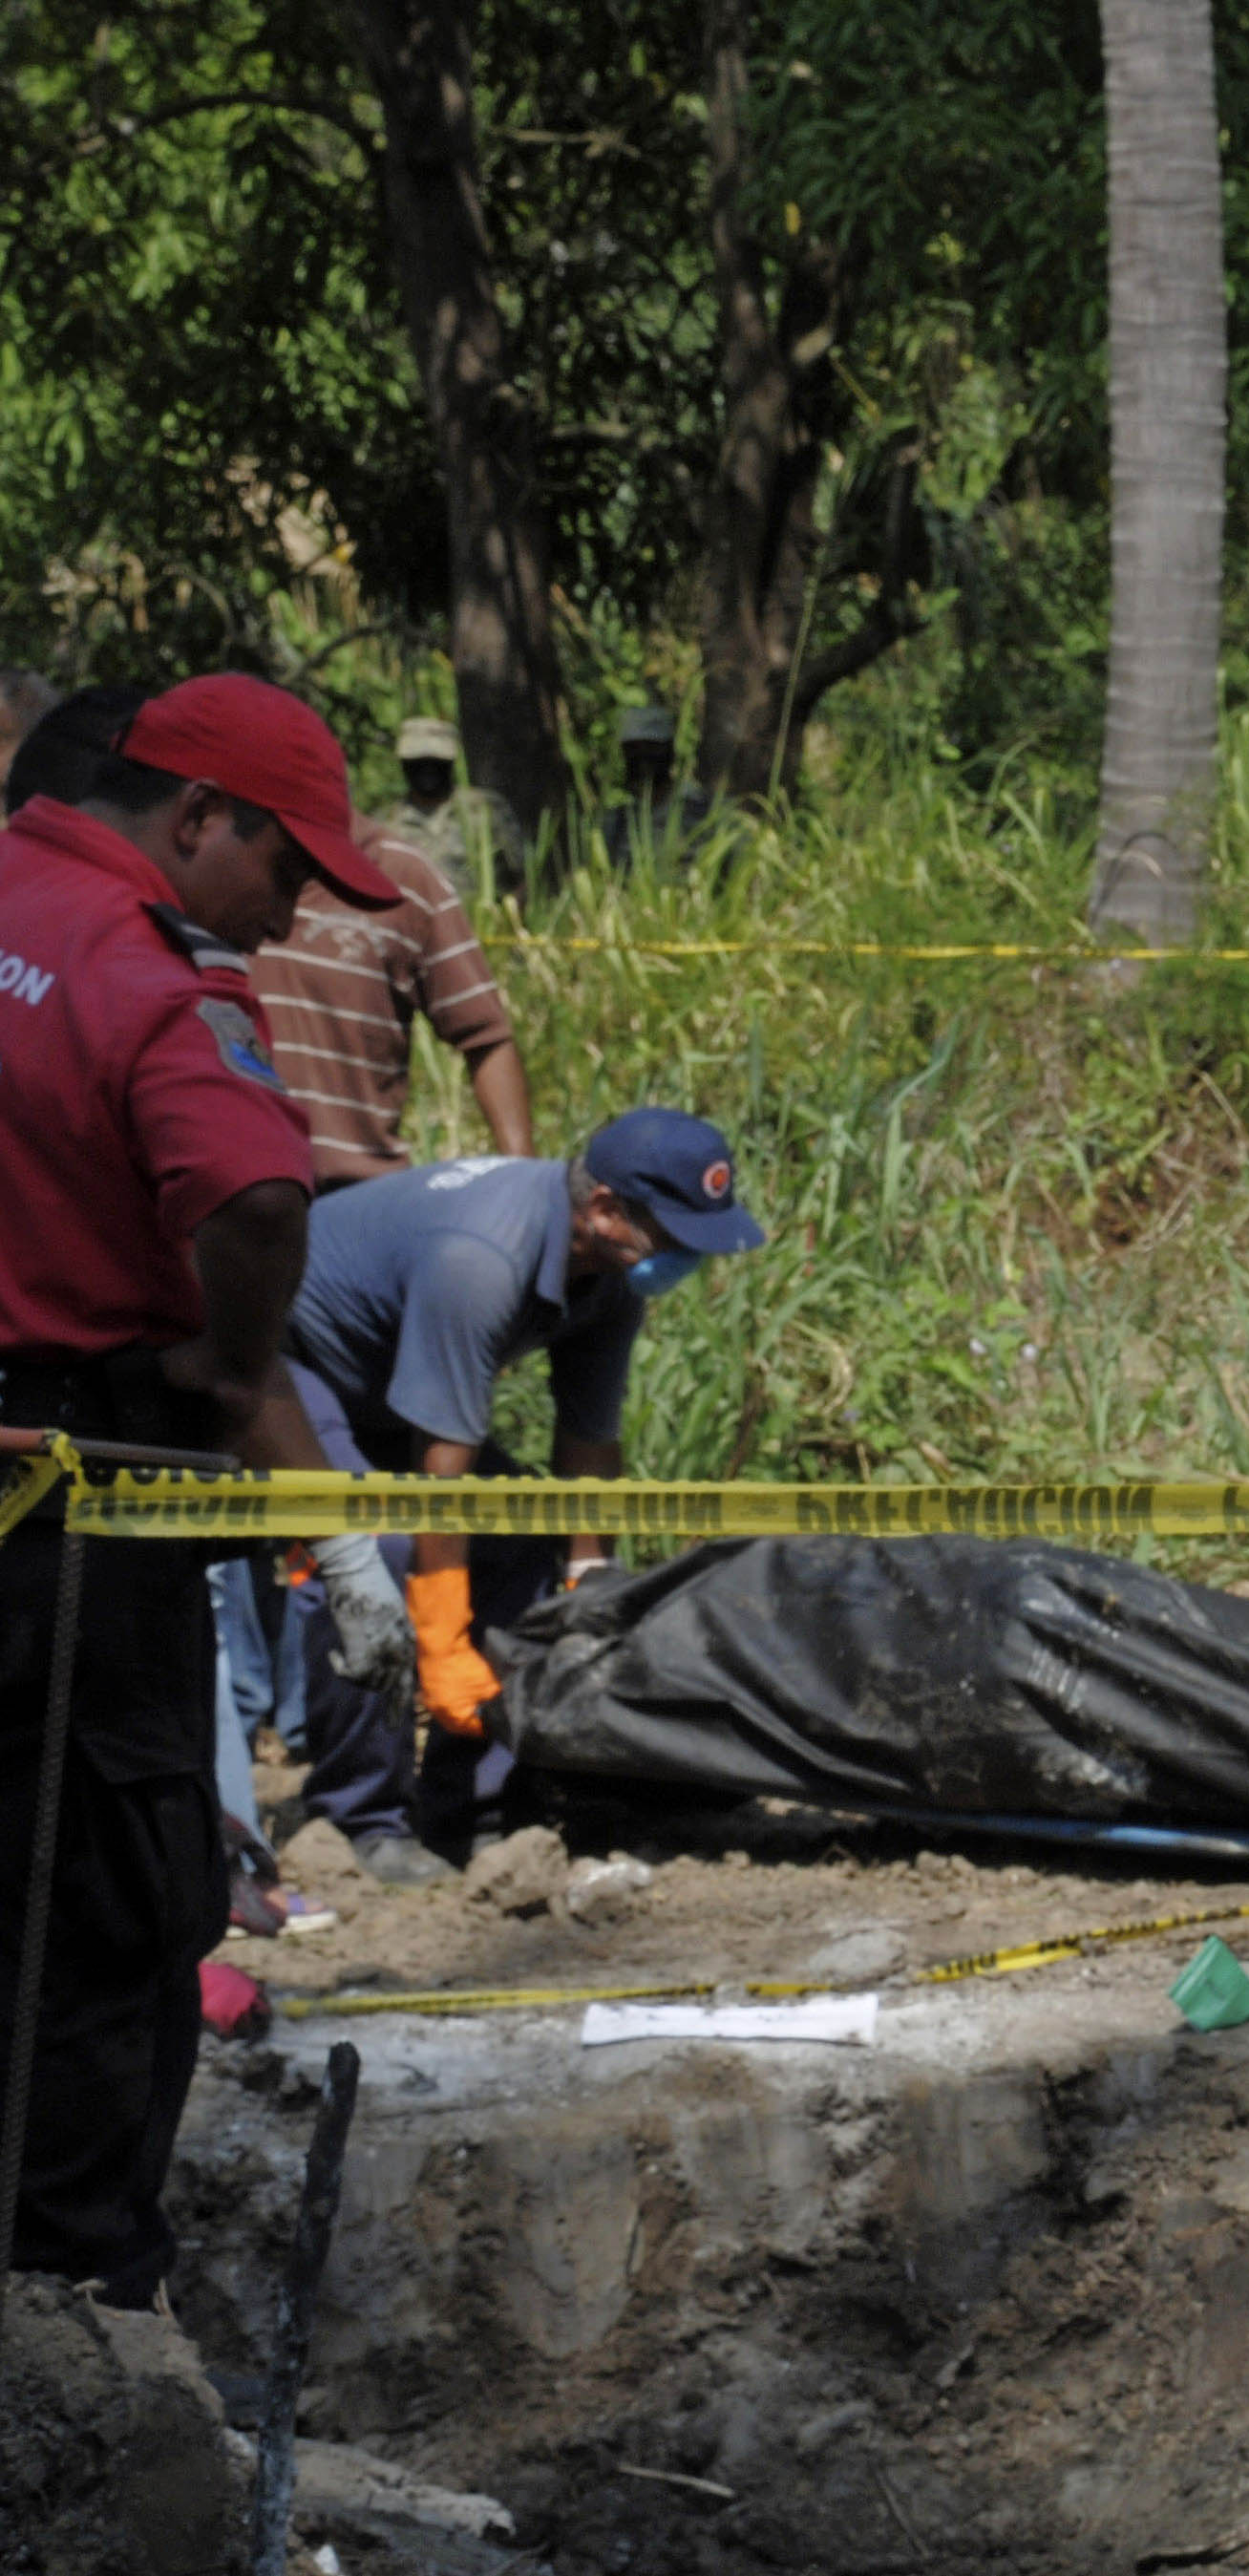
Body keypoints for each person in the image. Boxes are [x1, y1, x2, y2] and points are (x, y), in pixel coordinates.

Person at [0, 673, 413, 2299]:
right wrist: (239, 1375)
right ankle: (76, 2324)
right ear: (196, 819)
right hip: (74, 1498)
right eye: (289, 869)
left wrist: (326, 1527)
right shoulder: (152, 970)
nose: (297, 911)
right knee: (111, 1900)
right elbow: (249, 1192)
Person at [282, 1111, 767, 1883]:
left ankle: (466, 1812)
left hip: (392, 1382)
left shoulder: (609, 1281)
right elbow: (443, 1475)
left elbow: (588, 1440)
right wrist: (440, 1637)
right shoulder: (481, 1258)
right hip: (293, 1360)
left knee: (520, 1539)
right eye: (673, 1235)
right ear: (605, 1210)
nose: (684, 1259)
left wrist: (587, 1577)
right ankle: (360, 1820)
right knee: (369, 1556)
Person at [243, 797, 534, 1189]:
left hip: (353, 1191)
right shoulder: (221, 860)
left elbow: (485, 1034)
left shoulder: (403, 877)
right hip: (235, 1186)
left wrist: (523, 1184)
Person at [386, 715, 519, 903]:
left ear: (451, 763)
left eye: (436, 763)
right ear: (404, 764)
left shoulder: (485, 810)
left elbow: (519, 881)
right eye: (418, 763)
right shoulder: (387, 824)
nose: (427, 770)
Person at [595, 705, 711, 878]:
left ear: (670, 750)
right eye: (633, 748)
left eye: (652, 747)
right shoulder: (615, 823)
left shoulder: (702, 812)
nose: (642, 757)